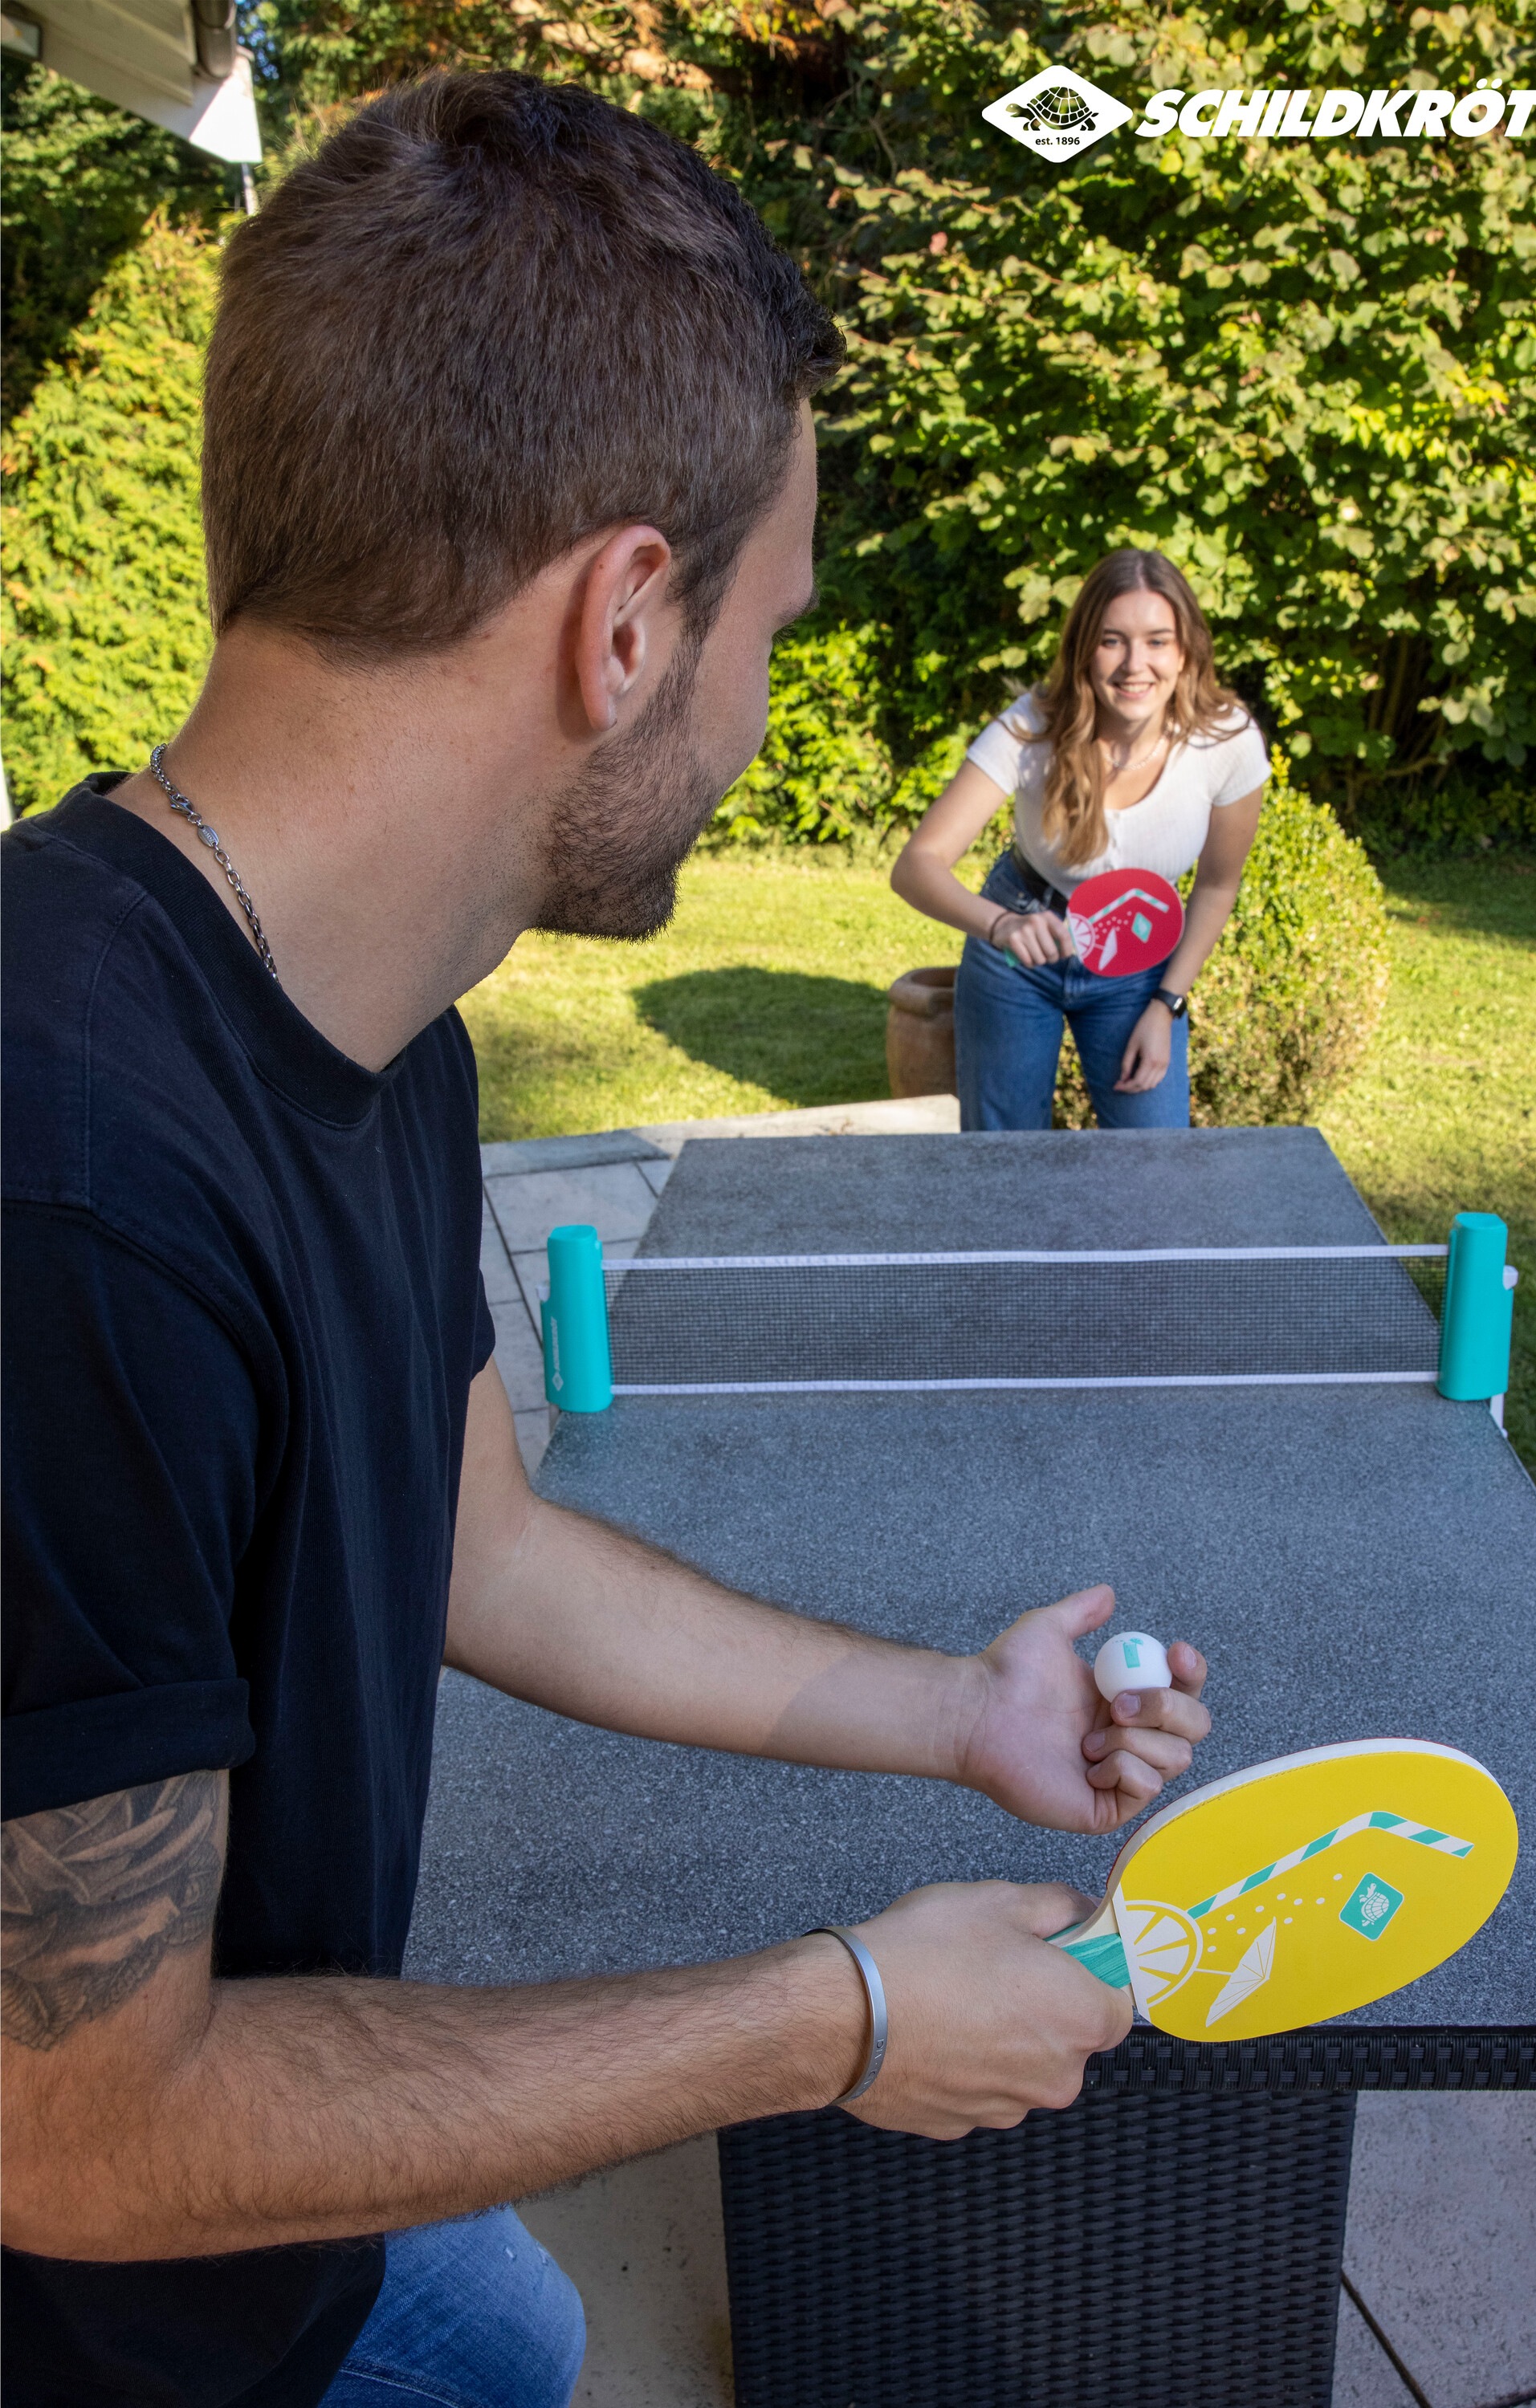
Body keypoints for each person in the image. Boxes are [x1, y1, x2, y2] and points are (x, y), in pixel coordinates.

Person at [0, 77, 1212, 2408]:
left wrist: (959, 1719)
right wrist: (829, 2020)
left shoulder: (370, 1024)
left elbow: (480, 1548)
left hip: (284, 2255)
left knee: (519, 2333)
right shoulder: (67, 1187)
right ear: (626, 622)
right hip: (106, 2317)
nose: (765, 713)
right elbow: (81, 2126)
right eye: (772, 630)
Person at [890, 550, 1271, 1130]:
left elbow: (1219, 885)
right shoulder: (1033, 728)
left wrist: (1165, 1006)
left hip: (1140, 959)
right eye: (1112, 640)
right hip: (1022, 943)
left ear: (1186, 649)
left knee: (1152, 1167)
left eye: (1157, 641)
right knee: (1005, 1165)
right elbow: (917, 864)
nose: (1135, 665)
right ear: (1082, 648)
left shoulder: (1227, 742)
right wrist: (1001, 926)